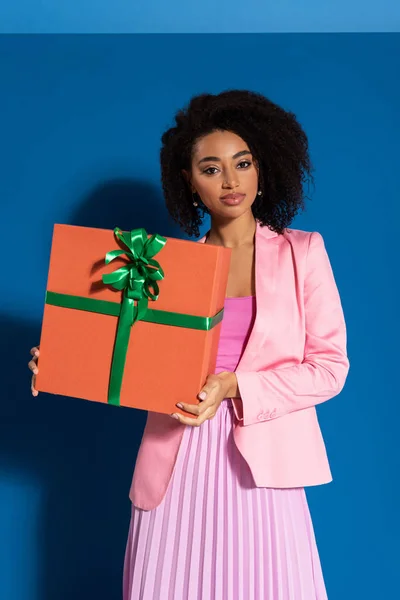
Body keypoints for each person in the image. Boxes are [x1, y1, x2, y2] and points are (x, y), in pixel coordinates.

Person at [28, 90, 350, 599]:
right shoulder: (167, 266)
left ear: (261, 165)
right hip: (176, 459)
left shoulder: (302, 253)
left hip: (264, 464)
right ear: (188, 181)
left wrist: (234, 386)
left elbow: (330, 368)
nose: (230, 181)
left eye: (242, 163)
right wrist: (65, 359)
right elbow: (135, 362)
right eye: (210, 167)